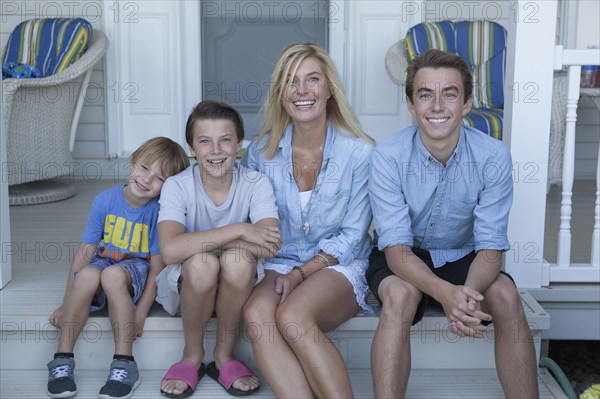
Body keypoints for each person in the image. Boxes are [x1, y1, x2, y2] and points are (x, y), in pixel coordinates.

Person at [366, 49, 539, 398]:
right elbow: (397, 251)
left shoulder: (493, 156)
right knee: (400, 296)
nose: (437, 106)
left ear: (467, 102)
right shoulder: (388, 157)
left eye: (450, 94)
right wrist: (446, 296)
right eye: (425, 95)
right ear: (411, 104)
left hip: (463, 256)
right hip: (404, 256)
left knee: (505, 294)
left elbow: (491, 248)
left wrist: (466, 301)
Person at [242, 43, 375, 398]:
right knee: (257, 313)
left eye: (312, 79)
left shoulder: (360, 152)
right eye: (291, 81)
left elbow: (352, 235)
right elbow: (255, 223)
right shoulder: (260, 153)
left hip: (339, 263)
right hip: (280, 261)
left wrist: (302, 273)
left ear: (329, 88)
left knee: (292, 315)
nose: (302, 91)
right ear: (281, 93)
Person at [46, 137, 190, 399]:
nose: (147, 179)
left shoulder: (158, 211)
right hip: (106, 264)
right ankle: (62, 359)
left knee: (112, 275)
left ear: (168, 187)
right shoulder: (104, 201)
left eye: (158, 178)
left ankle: (124, 363)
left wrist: (142, 312)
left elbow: (158, 265)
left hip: (135, 274)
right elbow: (85, 253)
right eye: (145, 168)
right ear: (133, 162)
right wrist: (65, 304)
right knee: (89, 273)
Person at [156, 100, 281, 398]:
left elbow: (272, 243)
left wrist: (203, 243)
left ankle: (224, 355)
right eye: (204, 141)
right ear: (191, 148)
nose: (215, 150)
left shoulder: (255, 182)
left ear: (239, 144)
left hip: (236, 282)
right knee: (202, 264)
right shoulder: (177, 185)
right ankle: (192, 355)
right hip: (189, 283)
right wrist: (240, 229)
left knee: (237, 261)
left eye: (225, 140)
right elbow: (171, 251)